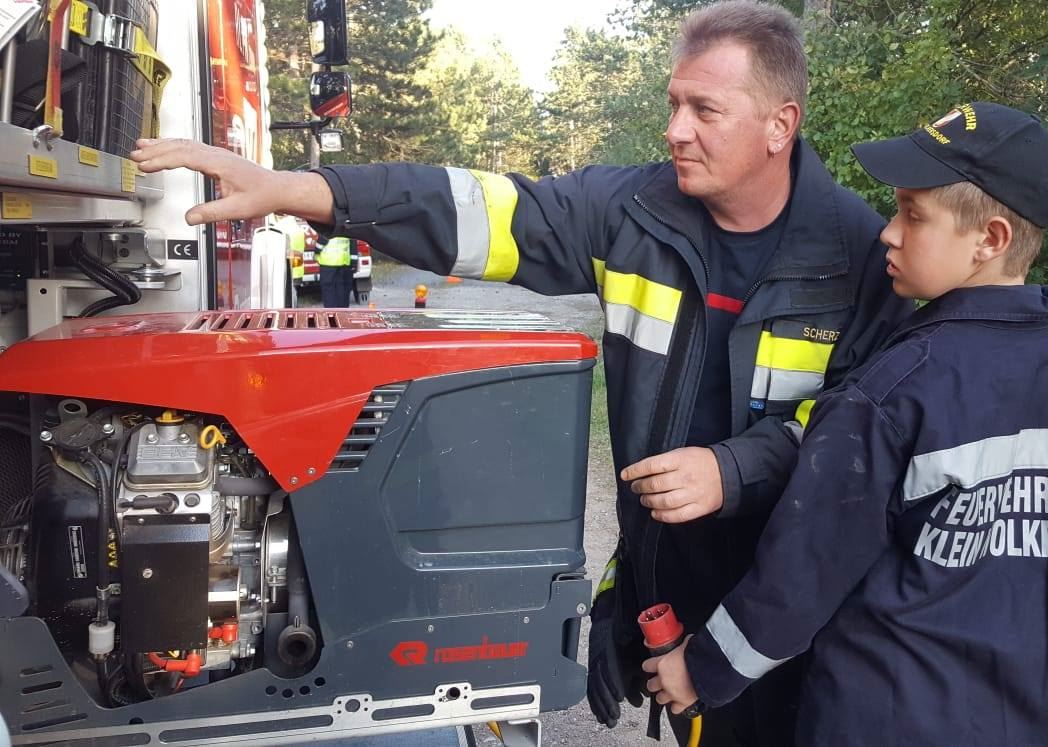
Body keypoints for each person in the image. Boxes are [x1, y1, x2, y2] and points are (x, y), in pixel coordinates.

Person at [128, 2, 912, 744]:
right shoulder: (633, 211)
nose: (675, 130)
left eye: (705, 111)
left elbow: (865, 426)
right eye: (674, 103)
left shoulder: (860, 258)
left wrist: (734, 469)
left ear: (781, 125)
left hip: (787, 610)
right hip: (668, 586)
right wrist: (303, 190)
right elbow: (475, 207)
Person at [643, 102, 1048, 746]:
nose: (887, 232)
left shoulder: (896, 390)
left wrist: (701, 669)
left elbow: (802, 573)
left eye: (913, 215)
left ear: (989, 240)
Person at [314, 234, 353, 308]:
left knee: (328, 290)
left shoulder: (330, 225)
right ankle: (340, 313)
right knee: (340, 289)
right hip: (342, 262)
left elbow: (323, 239)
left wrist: (316, 251)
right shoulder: (345, 225)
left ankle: (331, 314)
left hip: (328, 263)